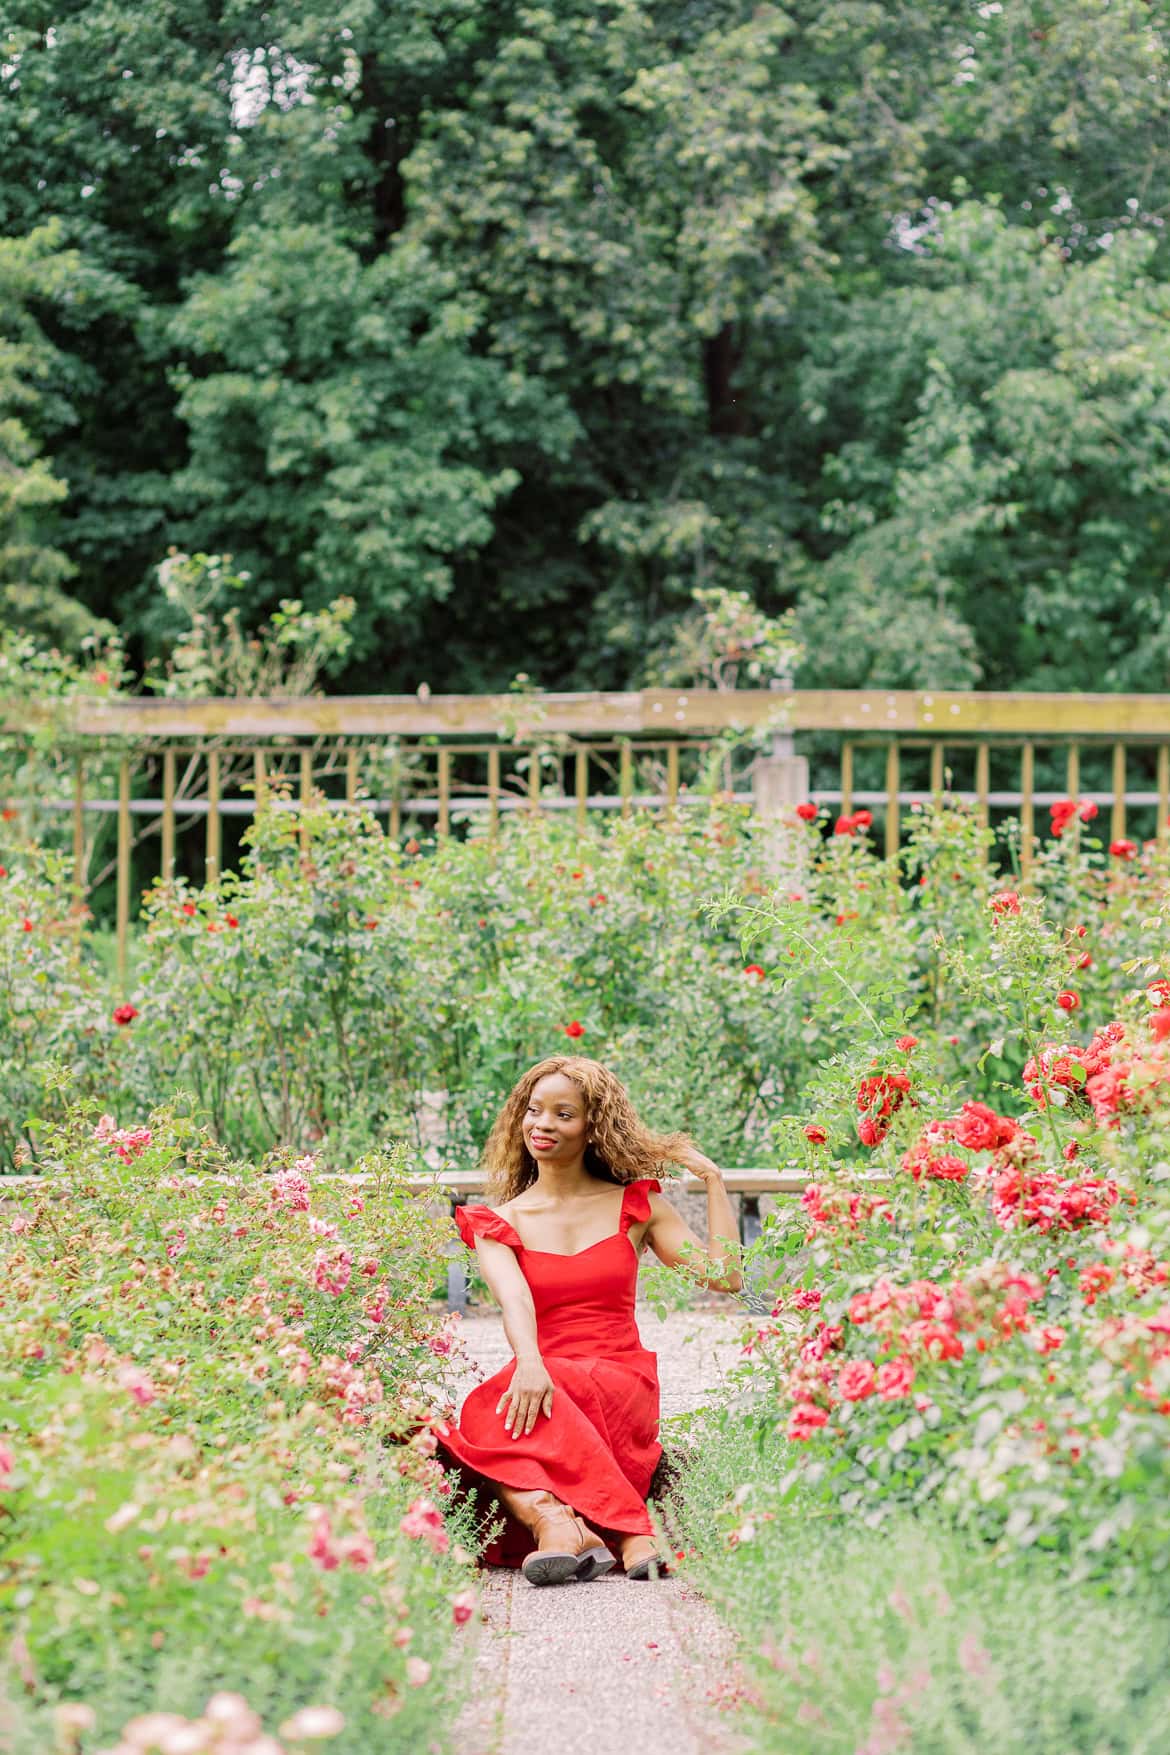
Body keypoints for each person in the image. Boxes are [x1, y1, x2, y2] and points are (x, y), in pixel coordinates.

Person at [433, 1054, 744, 1587]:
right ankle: (572, 1526)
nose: (543, 1125)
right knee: (493, 1404)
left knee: (502, 1412)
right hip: (543, 1378)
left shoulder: (635, 1206)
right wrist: (529, 1360)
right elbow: (515, 1302)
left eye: (563, 1114)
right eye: (533, 1111)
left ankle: (585, 1529)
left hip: (621, 1381)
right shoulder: (497, 1222)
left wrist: (714, 1180)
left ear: (593, 1126)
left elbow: (725, 1278)